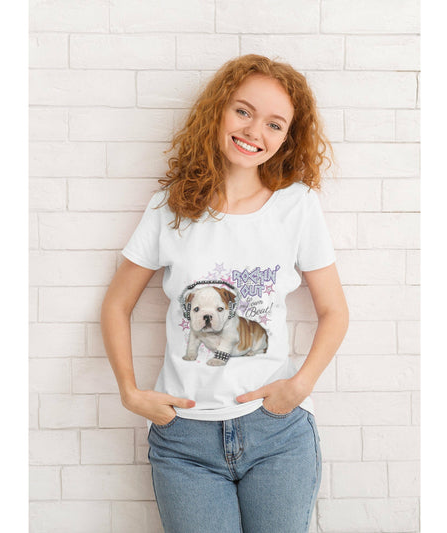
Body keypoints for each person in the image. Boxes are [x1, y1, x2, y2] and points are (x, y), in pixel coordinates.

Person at [101, 54, 349, 533]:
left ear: (286, 138)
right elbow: (116, 304)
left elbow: (334, 310)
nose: (255, 131)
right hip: (185, 442)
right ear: (217, 111)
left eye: (275, 124)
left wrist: (299, 387)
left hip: (276, 433)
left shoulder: (296, 206)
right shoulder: (170, 207)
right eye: (244, 111)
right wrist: (130, 393)